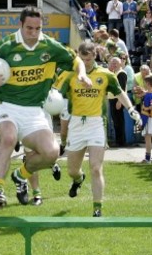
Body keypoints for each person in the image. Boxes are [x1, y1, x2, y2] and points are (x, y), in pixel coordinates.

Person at [0, 6, 91, 210]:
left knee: (51, 153)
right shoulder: (6, 45)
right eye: (29, 28)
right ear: (20, 25)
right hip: (8, 106)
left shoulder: (50, 46)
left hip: (35, 110)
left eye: (38, 28)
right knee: (8, 139)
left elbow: (75, 59)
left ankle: (21, 175)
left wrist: (82, 73)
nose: (34, 33)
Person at [58, 42, 141, 216]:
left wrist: (131, 109)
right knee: (73, 170)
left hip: (96, 124)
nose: (86, 62)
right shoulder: (69, 75)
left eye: (89, 59)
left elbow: (119, 92)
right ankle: (78, 179)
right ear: (78, 56)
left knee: (96, 167)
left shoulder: (106, 75)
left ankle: (97, 208)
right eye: (82, 59)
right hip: (76, 124)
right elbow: (56, 95)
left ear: (95, 55)